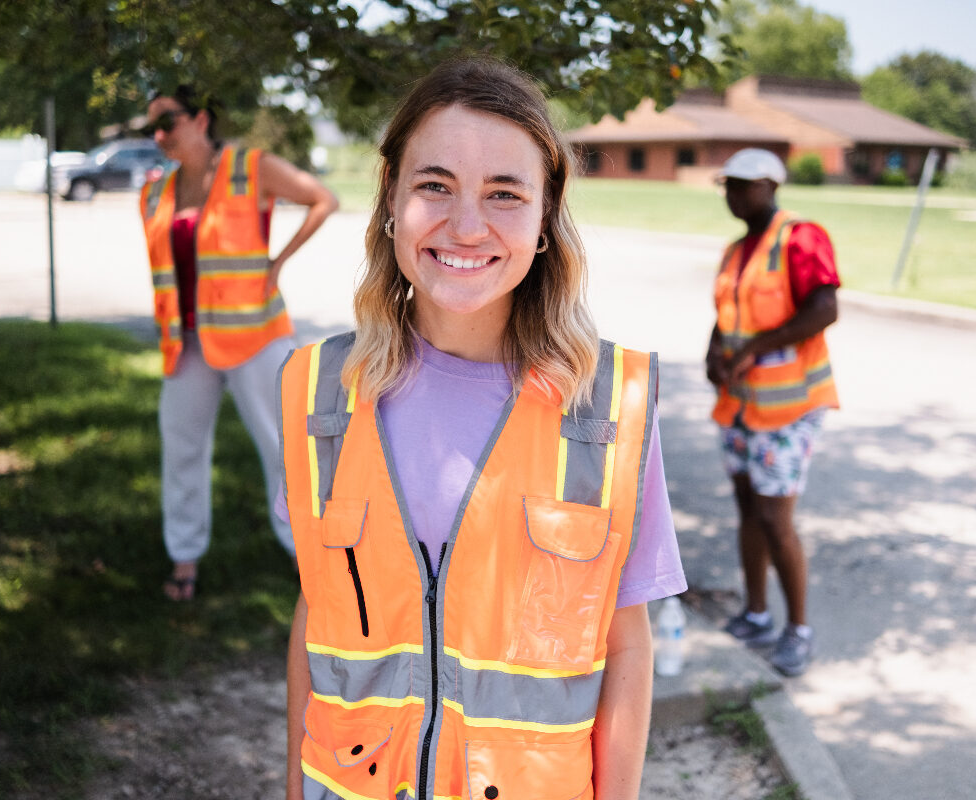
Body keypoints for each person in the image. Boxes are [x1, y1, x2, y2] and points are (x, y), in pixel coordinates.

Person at [278, 58, 686, 800]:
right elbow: (318, 612)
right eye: (435, 185)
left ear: (543, 221)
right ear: (391, 201)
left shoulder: (608, 407)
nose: (466, 226)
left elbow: (626, 645)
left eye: (504, 194)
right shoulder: (317, 391)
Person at [139, 84, 339, 601]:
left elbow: (323, 199)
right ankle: (184, 559)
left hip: (255, 334)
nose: (159, 135)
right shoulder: (155, 191)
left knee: (285, 450)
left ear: (201, 119)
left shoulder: (250, 167)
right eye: (151, 128)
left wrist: (278, 262)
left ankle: (308, 560)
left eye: (168, 122)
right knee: (181, 450)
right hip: (187, 344)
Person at [705, 148, 840, 677]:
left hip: (788, 408)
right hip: (740, 403)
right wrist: (714, 355)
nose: (733, 195)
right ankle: (756, 613)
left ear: (771, 185)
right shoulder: (737, 250)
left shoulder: (801, 238)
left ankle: (797, 629)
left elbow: (824, 308)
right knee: (748, 510)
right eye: (728, 186)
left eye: (743, 185)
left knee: (775, 518)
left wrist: (758, 348)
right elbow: (725, 316)